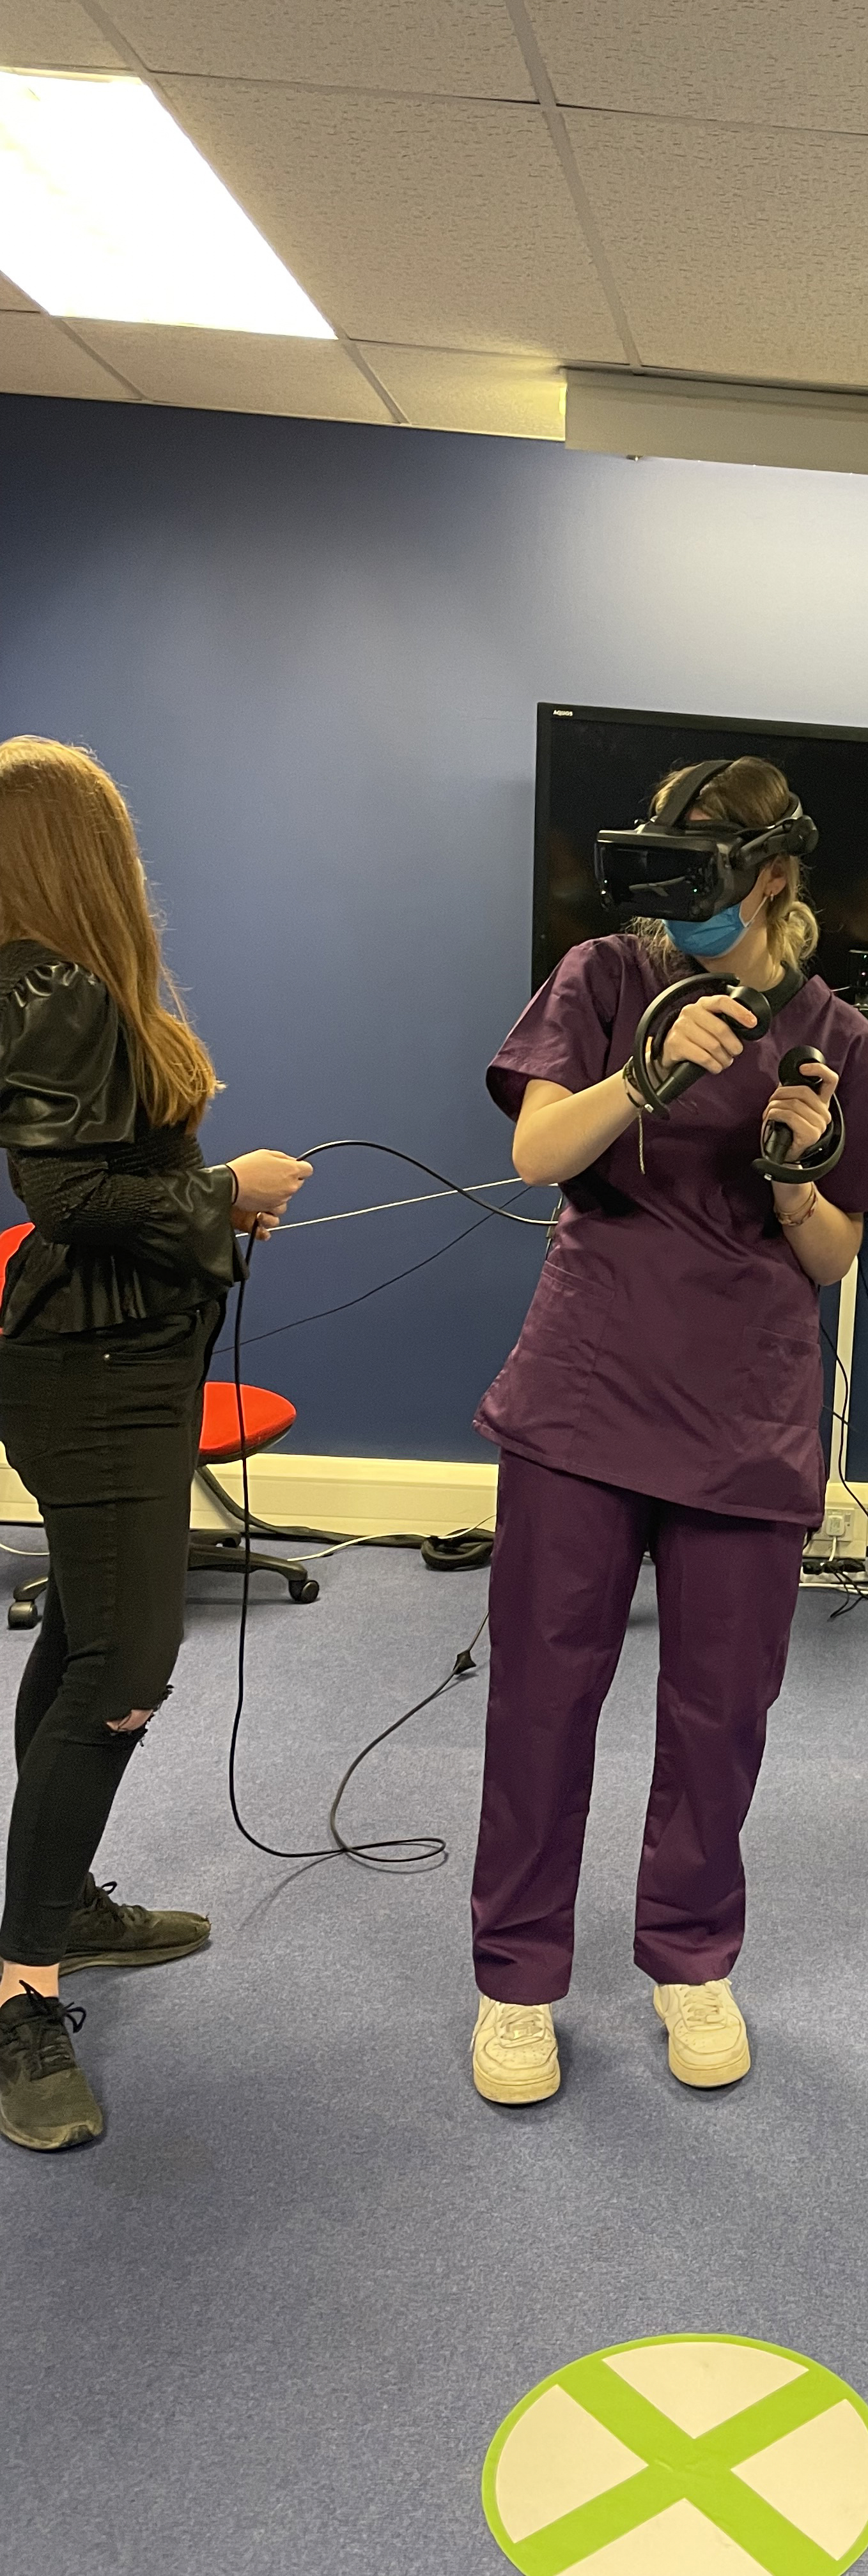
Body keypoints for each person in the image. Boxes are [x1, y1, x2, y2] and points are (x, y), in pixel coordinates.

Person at [468, 756, 868, 2105]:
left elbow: (838, 1256)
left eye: (705, 879)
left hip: (746, 1415)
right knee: (543, 1701)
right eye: (659, 875)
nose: (678, 907)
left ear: (773, 877)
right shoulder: (607, 978)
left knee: (722, 1713)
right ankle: (516, 1980)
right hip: (587, 1395)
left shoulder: (844, 1037)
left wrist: (794, 1178)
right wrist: (651, 1075)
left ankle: (689, 1958)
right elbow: (539, 1151)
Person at [0, 737, 309, 2153]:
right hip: (97, 1370)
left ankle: (55, 1910)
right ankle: (20, 1997)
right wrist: (224, 1194)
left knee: (81, 1635)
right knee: (125, 1666)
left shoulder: (58, 980)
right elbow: (64, 1194)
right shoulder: (52, 981)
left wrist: (209, 1212)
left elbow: (108, 1176)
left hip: (115, 1356)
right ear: (81, 855)